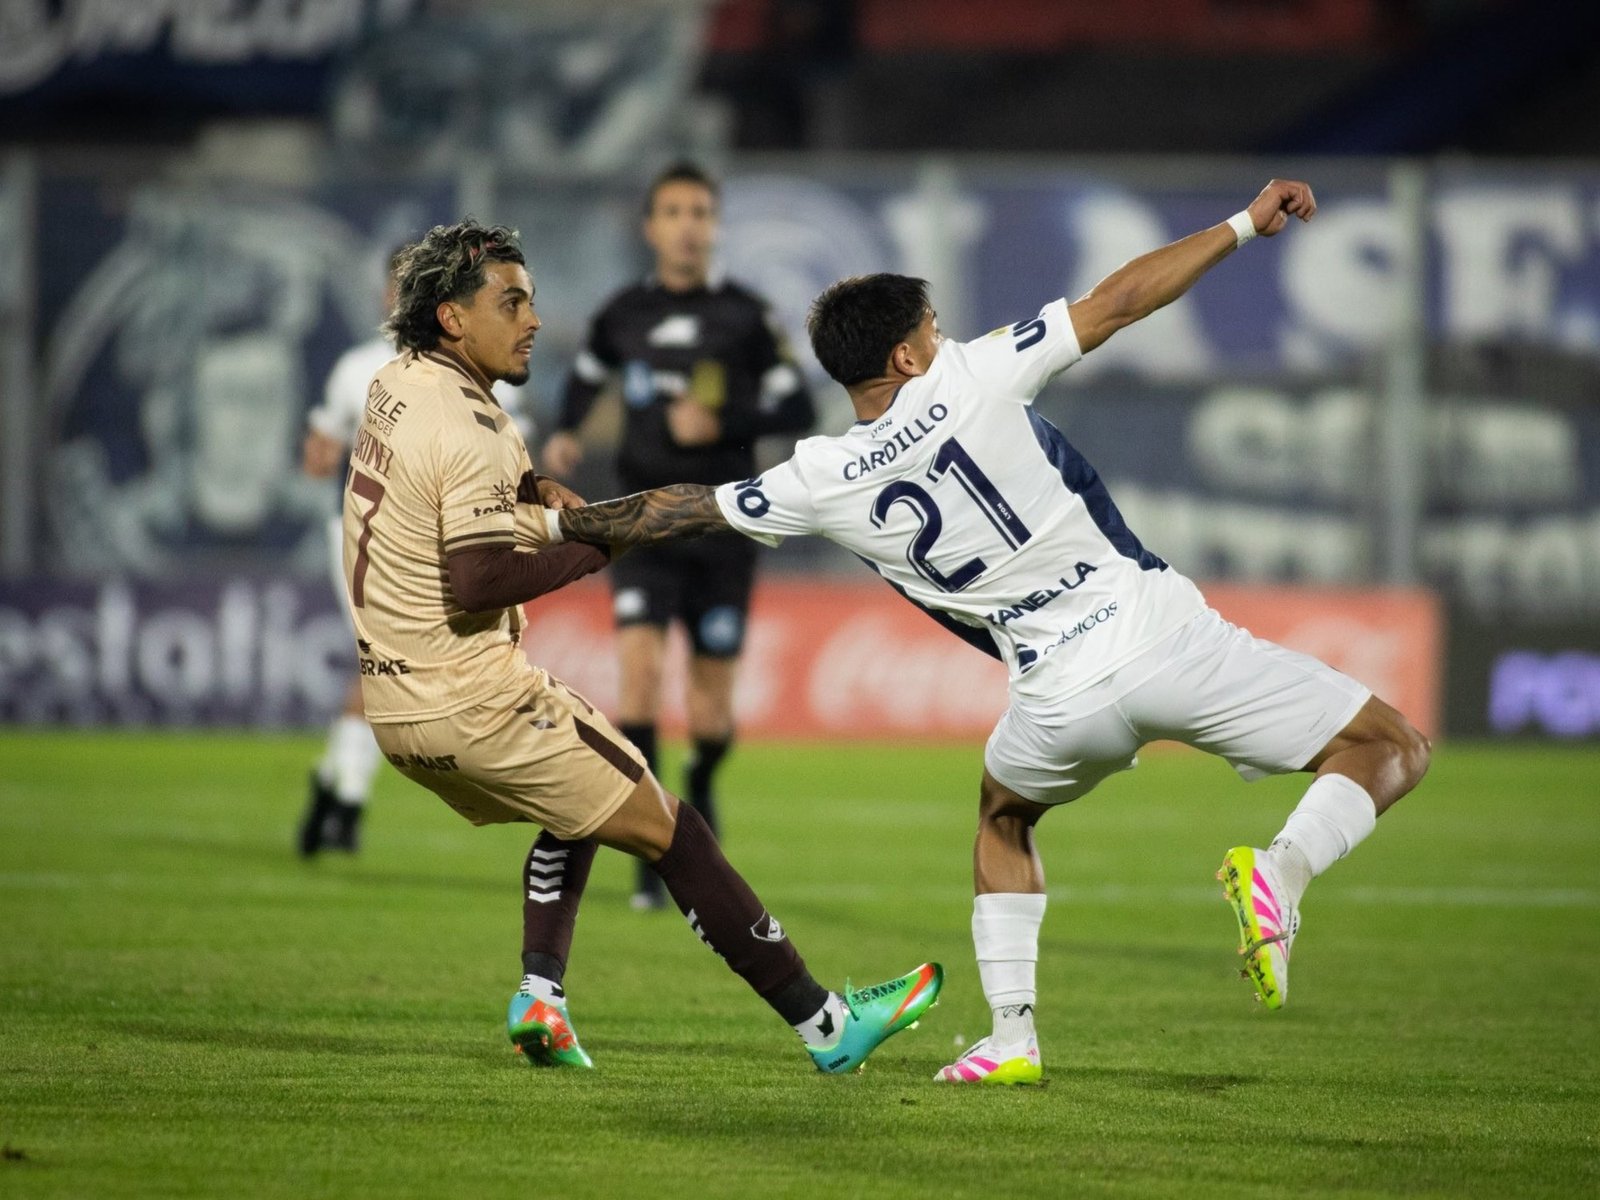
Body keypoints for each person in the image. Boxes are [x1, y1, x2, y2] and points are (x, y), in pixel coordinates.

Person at [542, 180, 1432, 1086]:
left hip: (1054, 698)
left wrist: (559, 528)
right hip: (1160, 637)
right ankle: (1282, 871)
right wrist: (1244, 224)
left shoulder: (820, 474)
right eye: (931, 327)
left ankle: (1012, 1038)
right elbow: (1118, 301)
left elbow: (683, 509)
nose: (943, 336)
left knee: (1004, 818)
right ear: (907, 353)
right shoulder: (976, 372)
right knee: (1388, 746)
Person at [346, 218, 940, 1072]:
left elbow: (442, 489)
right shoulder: (470, 426)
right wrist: (600, 544)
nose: (534, 319)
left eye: (533, 300)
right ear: (451, 318)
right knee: (677, 833)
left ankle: (541, 1000)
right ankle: (827, 1027)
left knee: (587, 792)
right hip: (471, 698)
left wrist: (531, 490)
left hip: (394, 706)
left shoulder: (396, 385)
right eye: (511, 302)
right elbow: (474, 582)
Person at [542, 162, 815, 910]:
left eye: (700, 211)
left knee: (711, 711)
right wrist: (565, 429)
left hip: (724, 525)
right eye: (673, 211)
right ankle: (651, 842)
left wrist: (722, 423)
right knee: (636, 672)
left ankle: (698, 780)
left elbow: (795, 405)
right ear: (651, 227)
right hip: (645, 525)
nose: (687, 224)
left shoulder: (747, 317)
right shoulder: (623, 312)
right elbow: (587, 372)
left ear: (714, 225)